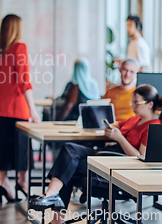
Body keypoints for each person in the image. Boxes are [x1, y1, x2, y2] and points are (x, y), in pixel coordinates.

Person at [29, 85, 162, 224]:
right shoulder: (134, 120)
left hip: (118, 164)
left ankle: (56, 217)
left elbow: (140, 157)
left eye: (136, 102)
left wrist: (120, 138)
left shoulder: (153, 127)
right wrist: (109, 128)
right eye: (132, 102)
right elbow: (115, 124)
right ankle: (52, 193)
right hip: (108, 154)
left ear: (150, 104)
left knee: (69, 167)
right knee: (69, 149)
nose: (132, 106)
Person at [0, 14, 41, 204]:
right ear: (17, 28)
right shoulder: (20, 47)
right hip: (16, 109)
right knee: (21, 148)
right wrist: (32, 109)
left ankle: (4, 184)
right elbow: (24, 80)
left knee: (1, 148)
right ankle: (22, 184)